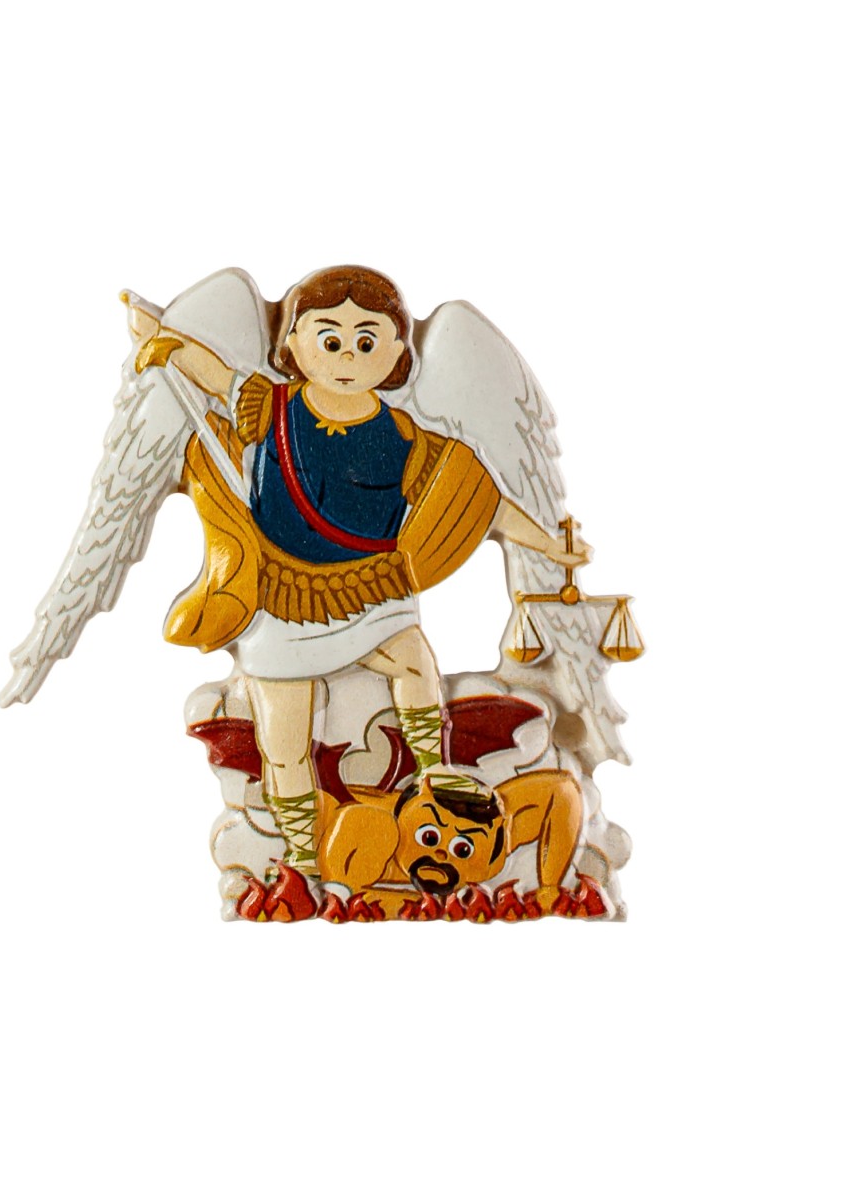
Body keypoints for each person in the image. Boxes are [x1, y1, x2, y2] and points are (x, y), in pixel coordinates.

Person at [133, 266, 587, 874]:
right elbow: (215, 376)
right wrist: (167, 343)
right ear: (294, 345)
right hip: (282, 596)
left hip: (369, 590)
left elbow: (479, 505)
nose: (347, 354)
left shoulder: (403, 436)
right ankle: (301, 861)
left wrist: (550, 544)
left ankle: (434, 777)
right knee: (284, 740)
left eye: (367, 340)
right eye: (329, 338)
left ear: (398, 353)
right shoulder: (271, 407)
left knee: (416, 665)